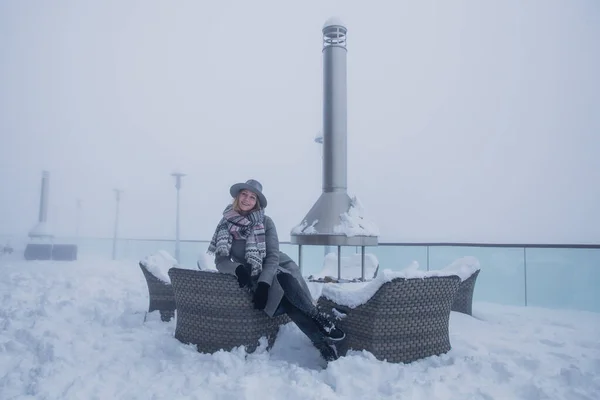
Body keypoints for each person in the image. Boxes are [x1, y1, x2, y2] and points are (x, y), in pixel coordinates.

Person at [208, 179, 345, 362]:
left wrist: (264, 284)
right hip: (254, 272)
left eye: (252, 197)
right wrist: (238, 268)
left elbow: (272, 256)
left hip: (278, 265)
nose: (247, 199)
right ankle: (321, 340)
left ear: (256, 202)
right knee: (287, 301)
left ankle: (317, 318)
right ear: (237, 196)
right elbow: (221, 261)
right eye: (244, 194)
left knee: (286, 283)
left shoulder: (265, 222)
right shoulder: (225, 224)